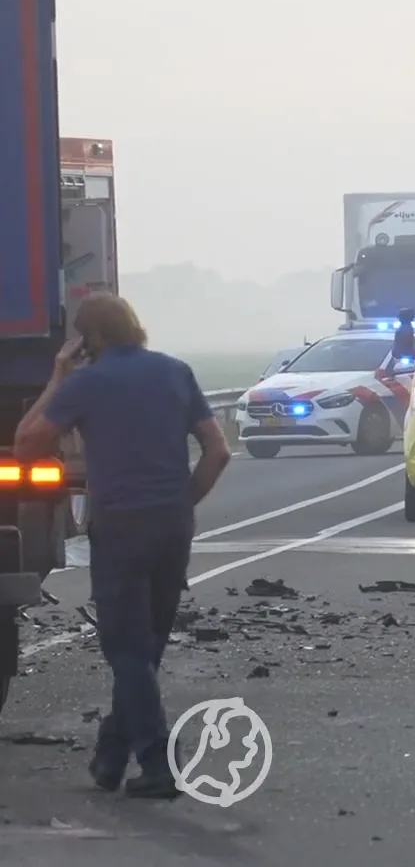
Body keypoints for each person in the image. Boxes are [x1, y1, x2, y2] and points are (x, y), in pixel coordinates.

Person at [12, 294, 232, 798]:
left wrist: (58, 376)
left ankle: (158, 765)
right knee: (146, 646)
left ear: (88, 340)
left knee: (126, 648)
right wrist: (182, 502)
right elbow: (218, 451)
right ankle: (110, 758)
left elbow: (26, 441)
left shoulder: (86, 382)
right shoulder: (176, 372)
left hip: (121, 526)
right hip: (173, 525)